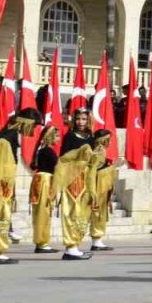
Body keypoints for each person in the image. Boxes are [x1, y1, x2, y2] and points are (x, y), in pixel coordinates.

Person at [0, 110, 40, 264]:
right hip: (2, 181)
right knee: (0, 214)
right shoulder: (9, 136)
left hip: (2, 179)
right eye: (33, 125)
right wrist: (7, 187)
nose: (32, 130)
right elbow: (3, 164)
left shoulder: (6, 133)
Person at [56, 109, 98, 261]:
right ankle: (70, 246)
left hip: (86, 178)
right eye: (78, 119)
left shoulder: (91, 138)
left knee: (82, 212)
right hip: (72, 177)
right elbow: (63, 158)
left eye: (84, 119)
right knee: (71, 211)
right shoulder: (70, 136)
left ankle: (76, 244)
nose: (81, 122)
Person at [30, 126, 61, 253]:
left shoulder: (41, 149)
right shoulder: (48, 150)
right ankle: (42, 242)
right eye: (57, 136)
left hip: (40, 180)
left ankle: (41, 241)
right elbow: (58, 166)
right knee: (44, 211)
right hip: (45, 181)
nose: (59, 139)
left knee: (41, 212)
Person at [89, 130, 117, 251]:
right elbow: (94, 169)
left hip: (103, 185)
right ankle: (96, 239)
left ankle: (98, 239)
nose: (110, 142)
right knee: (98, 212)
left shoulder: (100, 150)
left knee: (101, 212)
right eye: (109, 139)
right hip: (99, 186)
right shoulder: (99, 151)